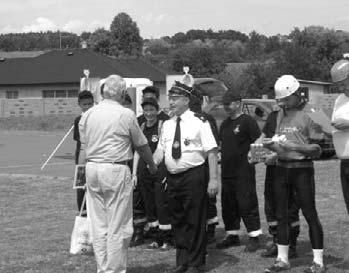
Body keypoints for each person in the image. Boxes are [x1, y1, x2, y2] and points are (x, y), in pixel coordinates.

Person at [79, 75, 157, 273]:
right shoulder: (125, 114)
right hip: (115, 167)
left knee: (99, 223)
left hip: (92, 167)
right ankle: (115, 269)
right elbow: (141, 144)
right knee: (118, 224)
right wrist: (152, 165)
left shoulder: (88, 114)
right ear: (122, 94)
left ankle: (103, 267)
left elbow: (84, 144)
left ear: (103, 92)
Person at [153, 81, 219, 273]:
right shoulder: (167, 124)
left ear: (186, 100)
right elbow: (160, 151)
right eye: (170, 99)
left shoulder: (200, 121)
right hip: (172, 178)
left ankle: (196, 263)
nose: (170, 102)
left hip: (194, 176)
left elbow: (212, 153)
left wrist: (213, 179)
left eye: (174, 99)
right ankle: (182, 261)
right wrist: (150, 164)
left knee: (195, 219)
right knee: (178, 219)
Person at [263, 75, 325, 273]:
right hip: (281, 169)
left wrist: (294, 147)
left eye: (287, 99)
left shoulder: (313, 112)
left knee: (309, 214)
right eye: (281, 100)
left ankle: (318, 262)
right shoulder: (281, 112)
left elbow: (318, 150)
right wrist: (272, 149)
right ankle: (283, 259)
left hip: (302, 171)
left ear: (297, 94)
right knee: (281, 214)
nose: (283, 103)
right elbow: (281, 141)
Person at [216, 91, 262, 252]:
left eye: (229, 104)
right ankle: (232, 235)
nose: (226, 107)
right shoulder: (225, 124)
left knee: (247, 203)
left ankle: (254, 236)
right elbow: (222, 145)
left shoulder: (248, 121)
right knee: (228, 205)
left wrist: (254, 156)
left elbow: (258, 141)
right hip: (227, 172)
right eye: (224, 104)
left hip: (243, 171)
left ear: (238, 103)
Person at [255, 105, 301, 259]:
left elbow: (293, 144)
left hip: (290, 168)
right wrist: (253, 149)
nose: (278, 101)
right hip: (273, 170)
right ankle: (277, 241)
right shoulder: (273, 116)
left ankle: (292, 245)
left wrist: (275, 156)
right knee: (271, 205)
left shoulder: (296, 116)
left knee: (290, 207)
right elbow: (263, 136)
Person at [131, 85, 170, 247]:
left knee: (162, 204)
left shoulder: (164, 124)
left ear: (157, 109)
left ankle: (167, 238)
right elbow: (137, 152)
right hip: (143, 174)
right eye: (145, 110)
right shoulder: (140, 126)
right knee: (149, 205)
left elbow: (165, 149)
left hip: (159, 172)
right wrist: (134, 174)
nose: (148, 114)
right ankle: (155, 238)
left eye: (151, 110)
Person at [189, 91, 220, 244]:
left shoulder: (205, 120)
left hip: (205, 163)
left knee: (208, 198)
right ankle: (203, 229)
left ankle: (210, 230)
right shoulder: (203, 119)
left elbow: (213, 144)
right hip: (197, 165)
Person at [330, 59, 349, 266]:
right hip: (344, 162)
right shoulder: (340, 100)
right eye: (338, 85)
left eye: (344, 83)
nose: (341, 88)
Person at [73, 90, 94, 216]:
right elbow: (79, 141)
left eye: (90, 104)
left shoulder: (98, 118)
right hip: (81, 157)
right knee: (81, 186)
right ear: (79, 104)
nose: (87, 107)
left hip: (95, 157)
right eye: (84, 104)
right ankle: (82, 213)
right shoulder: (78, 120)